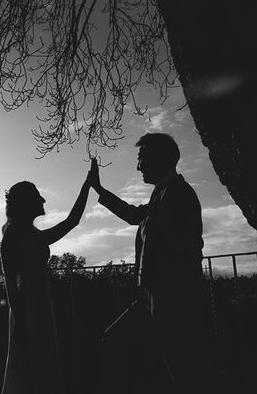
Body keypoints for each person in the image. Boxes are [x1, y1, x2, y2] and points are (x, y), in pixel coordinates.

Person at [88, 133, 206, 393]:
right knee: (119, 345)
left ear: (159, 159)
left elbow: (179, 250)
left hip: (173, 302)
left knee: (178, 371)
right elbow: (136, 216)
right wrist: (98, 189)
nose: (137, 166)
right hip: (152, 299)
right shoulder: (162, 194)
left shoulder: (178, 194)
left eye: (141, 159)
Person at [0, 175, 90, 394]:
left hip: (41, 302)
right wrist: (20, 321)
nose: (43, 201)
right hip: (26, 306)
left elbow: (72, 221)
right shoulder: (12, 233)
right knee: (30, 363)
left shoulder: (32, 233)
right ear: (26, 203)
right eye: (38, 197)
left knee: (43, 361)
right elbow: (10, 281)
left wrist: (87, 185)